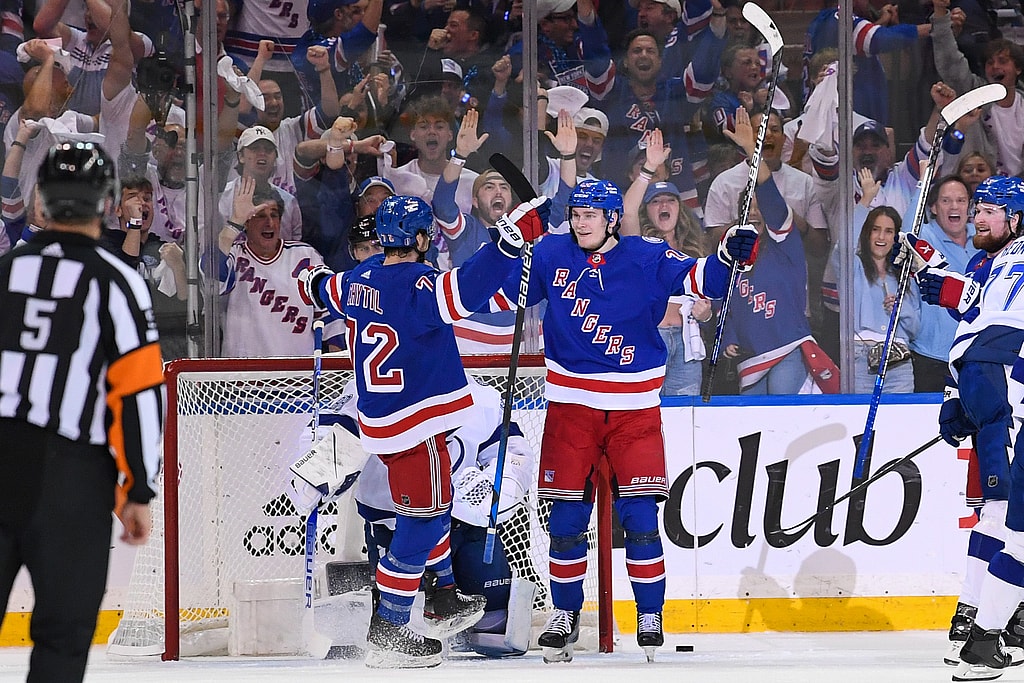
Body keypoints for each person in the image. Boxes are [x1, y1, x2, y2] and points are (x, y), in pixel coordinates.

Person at [497, 176, 756, 662]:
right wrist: (511, 246)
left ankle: (650, 613)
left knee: (640, 518)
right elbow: (504, 298)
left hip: (634, 412)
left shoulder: (647, 256)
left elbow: (707, 281)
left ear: (613, 218)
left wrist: (728, 253)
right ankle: (565, 613)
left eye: (590, 216)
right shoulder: (551, 253)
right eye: (576, 215)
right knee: (566, 522)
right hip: (571, 410)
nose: (581, 223)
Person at [297, 192, 550, 668]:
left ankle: (444, 593)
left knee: (432, 507)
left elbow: (321, 287)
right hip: (417, 423)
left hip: (383, 422)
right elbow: (470, 288)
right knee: (425, 522)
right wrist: (509, 240)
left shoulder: (357, 279)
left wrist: (310, 280)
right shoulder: (418, 287)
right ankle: (390, 630)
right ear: (419, 238)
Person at [0, 142, 165, 682]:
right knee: (62, 643)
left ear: (41, 201)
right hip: (71, 480)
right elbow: (139, 391)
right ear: (108, 203)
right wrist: (137, 488)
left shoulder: (4, 271)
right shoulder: (118, 280)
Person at [318, 374, 538, 657]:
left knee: (495, 629)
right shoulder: (370, 390)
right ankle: (402, 618)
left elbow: (515, 454)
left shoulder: (479, 396)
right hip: (394, 526)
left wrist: (502, 487)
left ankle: (446, 606)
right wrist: (316, 472)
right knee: (404, 623)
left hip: (466, 525)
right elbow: (332, 434)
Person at [212, 177, 344, 356]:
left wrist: (337, 360)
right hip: (243, 371)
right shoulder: (235, 255)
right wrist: (234, 223)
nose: (270, 223)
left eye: (274, 215)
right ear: (247, 222)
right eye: (261, 215)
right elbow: (211, 280)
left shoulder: (304, 256)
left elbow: (330, 311)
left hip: (298, 370)